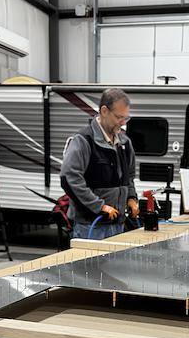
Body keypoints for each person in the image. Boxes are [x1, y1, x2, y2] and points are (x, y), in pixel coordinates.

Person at [60, 88, 139, 240]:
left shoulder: (124, 143)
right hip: (90, 226)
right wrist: (99, 206)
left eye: (126, 118)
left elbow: (129, 177)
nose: (123, 123)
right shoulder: (84, 140)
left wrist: (131, 198)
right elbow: (69, 178)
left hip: (118, 224)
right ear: (104, 111)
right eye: (119, 117)